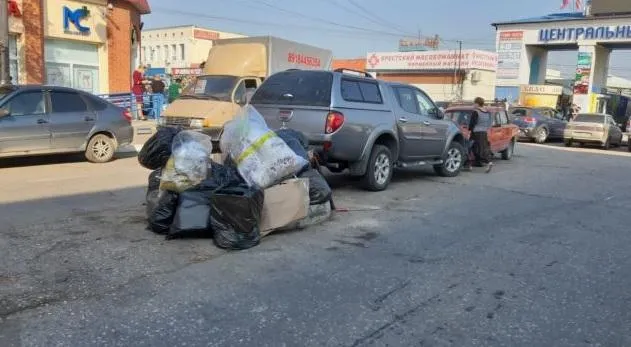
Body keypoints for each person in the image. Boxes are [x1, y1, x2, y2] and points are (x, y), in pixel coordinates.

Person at [468, 97, 493, 173]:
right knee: (482, 148)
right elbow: (490, 122)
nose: (473, 104)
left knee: (472, 148)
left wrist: (469, 129)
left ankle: (487, 162)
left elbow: (472, 123)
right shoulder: (487, 112)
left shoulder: (476, 112)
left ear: (477, 103)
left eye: (474, 103)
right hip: (484, 132)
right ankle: (470, 165)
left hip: (475, 132)